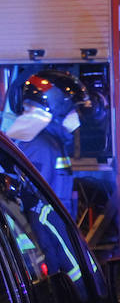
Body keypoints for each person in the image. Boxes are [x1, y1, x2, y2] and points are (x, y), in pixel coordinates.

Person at [5, 70, 91, 216]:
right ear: (56, 107)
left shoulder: (42, 141)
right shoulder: (42, 147)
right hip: (44, 233)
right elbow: (34, 206)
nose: (77, 117)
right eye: (73, 111)